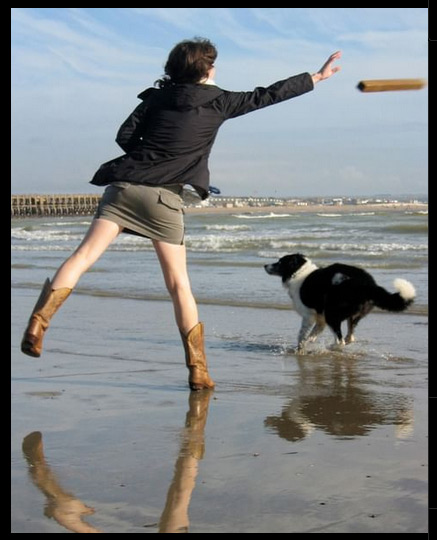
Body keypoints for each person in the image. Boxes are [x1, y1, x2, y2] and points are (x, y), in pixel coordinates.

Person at [20, 38, 341, 390]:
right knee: (178, 285)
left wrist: (153, 153)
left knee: (81, 257)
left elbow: (125, 135)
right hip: (164, 200)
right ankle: (198, 371)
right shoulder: (220, 101)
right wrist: (317, 77)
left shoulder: (158, 98)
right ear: (206, 70)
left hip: (124, 187)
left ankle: (38, 322)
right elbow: (268, 94)